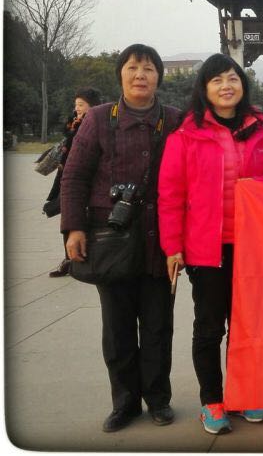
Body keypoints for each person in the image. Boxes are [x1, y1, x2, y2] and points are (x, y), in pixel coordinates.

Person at [61, 44, 181, 432]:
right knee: (117, 330)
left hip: (160, 242)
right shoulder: (99, 119)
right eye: (132, 68)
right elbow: (74, 176)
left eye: (148, 68)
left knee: (158, 327)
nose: (140, 75)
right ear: (121, 75)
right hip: (110, 240)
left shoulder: (174, 120)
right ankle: (125, 403)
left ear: (159, 76)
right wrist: (74, 227)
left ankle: (158, 399)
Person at [158, 53, 263, 435]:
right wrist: (172, 247)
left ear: (243, 85)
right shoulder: (185, 135)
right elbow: (170, 195)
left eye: (233, 78)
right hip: (206, 248)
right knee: (210, 327)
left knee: (247, 328)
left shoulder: (259, 129)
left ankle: (243, 395)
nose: (226, 86)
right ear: (205, 89)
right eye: (217, 80)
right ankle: (212, 401)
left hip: (252, 245)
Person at [45, 87, 102, 277]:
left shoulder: (96, 124)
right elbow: (67, 139)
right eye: (76, 104)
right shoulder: (74, 122)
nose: (77, 108)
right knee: (68, 215)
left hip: (87, 180)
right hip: (67, 176)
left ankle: (78, 257)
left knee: (80, 217)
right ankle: (69, 259)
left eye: (81, 105)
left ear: (92, 107)